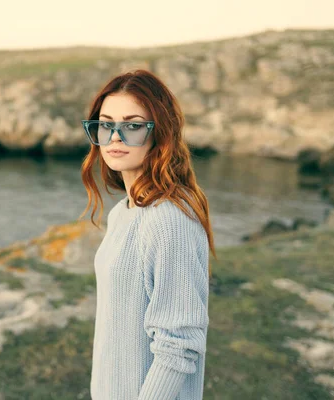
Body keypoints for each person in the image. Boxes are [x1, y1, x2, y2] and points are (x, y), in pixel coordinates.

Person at [78, 69, 217, 400]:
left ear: (161, 133)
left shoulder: (169, 219)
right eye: (106, 123)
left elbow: (178, 346)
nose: (114, 137)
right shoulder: (124, 211)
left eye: (133, 125)